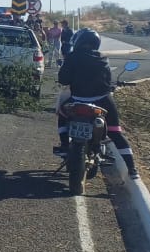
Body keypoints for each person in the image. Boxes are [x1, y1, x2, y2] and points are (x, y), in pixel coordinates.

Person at [56, 28, 139, 180]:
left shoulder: (72, 57)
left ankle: (63, 145)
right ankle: (132, 169)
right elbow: (108, 82)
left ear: (78, 41)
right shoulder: (103, 58)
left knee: (61, 113)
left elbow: (63, 79)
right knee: (115, 132)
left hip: (78, 100)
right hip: (102, 100)